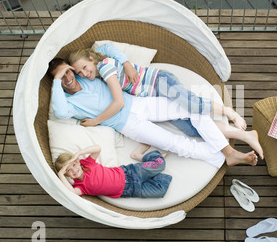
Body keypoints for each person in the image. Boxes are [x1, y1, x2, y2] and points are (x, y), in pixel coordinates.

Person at [48, 59, 258, 168]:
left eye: (68, 72)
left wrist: (70, 70)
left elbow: (101, 60)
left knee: (191, 108)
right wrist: (57, 78)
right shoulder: (67, 103)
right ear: (56, 81)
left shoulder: (86, 77)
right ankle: (223, 157)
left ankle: (228, 152)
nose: (68, 78)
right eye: (61, 76)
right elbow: (59, 111)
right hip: (128, 125)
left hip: (139, 103)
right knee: (174, 143)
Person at [67, 43, 247, 132]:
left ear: (91, 59)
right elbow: (105, 47)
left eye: (84, 67)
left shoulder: (105, 66)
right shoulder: (99, 76)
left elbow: (118, 102)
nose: (84, 74)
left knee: (192, 105)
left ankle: (228, 112)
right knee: (189, 128)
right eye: (79, 73)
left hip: (158, 81)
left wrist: (127, 63)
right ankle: (228, 131)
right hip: (154, 96)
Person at [55, 144, 172, 198]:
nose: (74, 170)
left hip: (129, 173)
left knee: (160, 165)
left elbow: (97, 148)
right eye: (68, 170)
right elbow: (72, 193)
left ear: (78, 161)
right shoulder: (80, 187)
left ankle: (140, 156)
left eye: (74, 164)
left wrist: (79, 153)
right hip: (130, 190)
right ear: (66, 174)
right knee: (160, 191)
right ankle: (152, 175)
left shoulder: (87, 164)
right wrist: (60, 173)